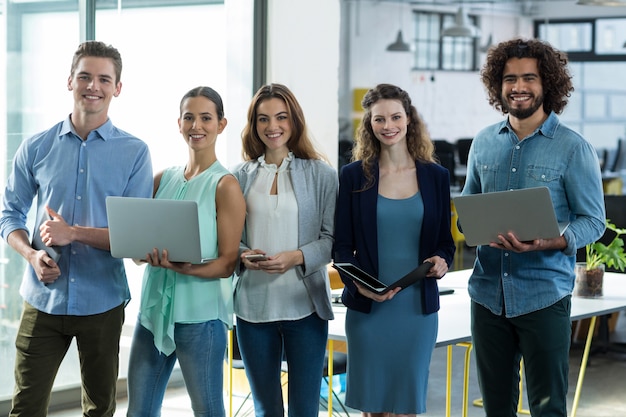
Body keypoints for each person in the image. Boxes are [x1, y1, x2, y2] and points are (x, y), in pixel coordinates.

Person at [0, 41, 153, 417]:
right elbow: (9, 215)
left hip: (103, 302)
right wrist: (32, 254)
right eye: (84, 76)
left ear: (118, 88)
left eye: (104, 78)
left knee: (99, 409)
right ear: (70, 80)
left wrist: (74, 233)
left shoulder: (135, 152)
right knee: (26, 407)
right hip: (42, 299)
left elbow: (135, 238)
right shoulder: (36, 147)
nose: (93, 86)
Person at [461, 38, 606, 417]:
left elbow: (594, 221)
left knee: (548, 408)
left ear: (548, 85)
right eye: (510, 78)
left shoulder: (573, 148)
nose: (518, 87)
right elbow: (466, 209)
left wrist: (554, 240)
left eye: (529, 78)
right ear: (498, 85)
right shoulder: (483, 143)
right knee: (496, 407)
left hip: (543, 294)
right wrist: (472, 224)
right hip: (488, 295)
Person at [333, 83, 455, 417]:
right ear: (369, 125)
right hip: (368, 311)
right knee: (374, 410)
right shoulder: (354, 176)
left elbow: (446, 243)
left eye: (396, 117)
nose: (388, 126)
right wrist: (358, 284)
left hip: (416, 311)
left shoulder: (436, 177)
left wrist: (442, 262)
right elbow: (341, 247)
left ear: (409, 119)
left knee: (405, 407)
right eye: (379, 119)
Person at [125, 86, 246, 417]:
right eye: (189, 117)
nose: (197, 126)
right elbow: (135, 248)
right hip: (154, 312)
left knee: (207, 410)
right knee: (139, 410)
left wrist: (183, 267)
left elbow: (227, 263)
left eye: (206, 118)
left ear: (221, 125)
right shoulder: (162, 178)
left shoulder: (226, 185)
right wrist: (143, 254)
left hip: (201, 317)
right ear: (178, 123)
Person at [232, 83, 338, 417]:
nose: (272, 126)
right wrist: (242, 254)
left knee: (304, 410)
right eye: (263, 119)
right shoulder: (239, 176)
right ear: (254, 125)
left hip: (304, 309)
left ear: (294, 121)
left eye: (281, 117)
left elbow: (331, 239)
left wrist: (296, 257)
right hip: (252, 309)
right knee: (267, 410)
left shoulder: (321, 174)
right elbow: (229, 239)